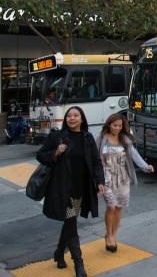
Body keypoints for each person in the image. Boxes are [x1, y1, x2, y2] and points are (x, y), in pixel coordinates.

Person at [36, 106, 105, 277]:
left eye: (76, 115)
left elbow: (96, 162)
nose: (72, 118)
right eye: (69, 116)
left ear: (82, 119)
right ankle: (78, 264)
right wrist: (55, 153)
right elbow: (40, 155)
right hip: (61, 189)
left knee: (70, 220)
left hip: (79, 189)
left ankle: (59, 253)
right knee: (71, 223)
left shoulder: (88, 138)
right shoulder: (57, 137)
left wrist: (100, 181)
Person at [96, 113, 154, 252]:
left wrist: (145, 166)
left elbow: (134, 155)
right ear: (109, 124)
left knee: (119, 207)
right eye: (114, 125)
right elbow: (94, 158)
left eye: (119, 126)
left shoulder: (125, 140)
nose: (117, 128)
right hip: (107, 177)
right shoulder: (101, 139)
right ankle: (109, 235)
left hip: (123, 178)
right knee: (111, 205)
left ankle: (113, 236)